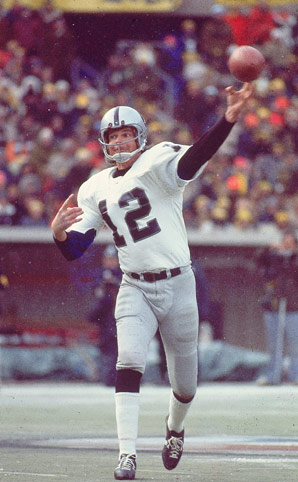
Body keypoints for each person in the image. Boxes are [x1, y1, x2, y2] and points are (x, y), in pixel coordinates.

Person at [51, 82, 253, 480]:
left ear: (140, 137)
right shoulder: (95, 187)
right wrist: (58, 234)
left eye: (128, 135)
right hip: (135, 286)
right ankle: (127, 454)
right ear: (104, 143)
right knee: (128, 361)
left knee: (186, 385)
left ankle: (175, 427)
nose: (122, 143)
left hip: (179, 284)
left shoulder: (158, 161)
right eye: (114, 137)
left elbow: (194, 159)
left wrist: (227, 119)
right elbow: (77, 248)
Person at [257, 228, 298, 385]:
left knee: (295, 345)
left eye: (290, 243)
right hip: (273, 306)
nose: (286, 247)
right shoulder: (274, 258)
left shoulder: (294, 259)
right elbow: (259, 259)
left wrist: (292, 255)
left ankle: (295, 376)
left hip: (293, 308)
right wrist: (271, 249)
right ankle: (273, 376)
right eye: (284, 243)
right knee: (274, 344)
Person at [88, 245, 121, 386]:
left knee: (120, 350)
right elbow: (97, 298)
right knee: (106, 348)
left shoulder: (123, 274)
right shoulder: (100, 275)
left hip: (120, 317)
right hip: (105, 318)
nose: (110, 262)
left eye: (113, 259)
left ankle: (118, 378)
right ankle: (106, 377)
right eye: (107, 259)